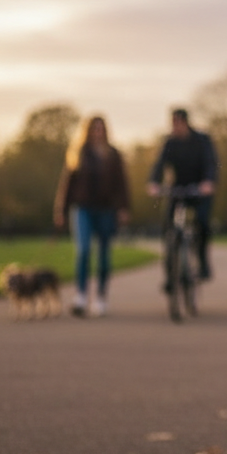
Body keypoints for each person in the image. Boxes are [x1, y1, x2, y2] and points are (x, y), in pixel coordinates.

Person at [53, 115, 131, 318]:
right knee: (84, 250)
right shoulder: (78, 153)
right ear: (87, 131)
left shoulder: (113, 154)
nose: (98, 132)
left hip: (106, 209)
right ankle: (80, 295)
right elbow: (67, 185)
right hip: (82, 209)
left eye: (101, 128)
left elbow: (122, 183)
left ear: (105, 131)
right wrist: (60, 211)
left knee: (104, 255)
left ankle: (101, 296)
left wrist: (123, 208)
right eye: (94, 128)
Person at [146, 108, 218, 281]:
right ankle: (170, 272)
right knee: (168, 227)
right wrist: (154, 183)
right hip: (177, 189)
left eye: (178, 123)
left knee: (201, 223)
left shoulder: (202, 140)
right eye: (172, 123)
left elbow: (211, 162)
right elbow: (159, 164)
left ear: (185, 122)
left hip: (199, 190)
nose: (175, 127)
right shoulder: (170, 142)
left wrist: (208, 182)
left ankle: (202, 262)